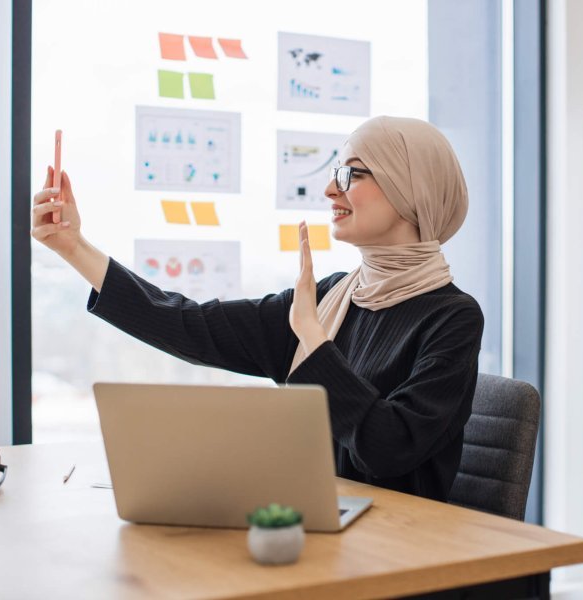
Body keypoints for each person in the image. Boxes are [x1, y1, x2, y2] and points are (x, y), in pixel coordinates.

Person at [31, 116, 484, 502]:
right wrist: (74, 248)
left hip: (402, 544)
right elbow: (191, 325)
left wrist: (313, 340)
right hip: (313, 521)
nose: (330, 189)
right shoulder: (329, 297)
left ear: (408, 188)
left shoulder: (452, 318)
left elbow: (388, 449)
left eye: (350, 174)